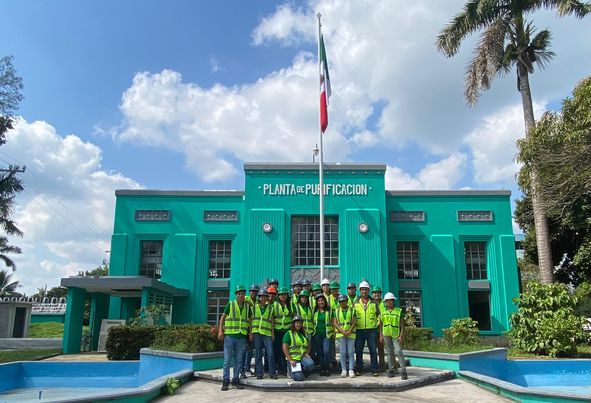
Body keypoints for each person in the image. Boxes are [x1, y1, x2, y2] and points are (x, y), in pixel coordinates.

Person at [218, 284, 251, 391]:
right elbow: (222, 318)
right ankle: (225, 381)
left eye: (242, 294)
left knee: (239, 360)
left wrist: (250, 333)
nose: (241, 295)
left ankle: (236, 380)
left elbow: (249, 320)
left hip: (241, 337)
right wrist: (220, 330)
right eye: (239, 294)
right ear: (236, 295)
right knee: (227, 360)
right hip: (230, 336)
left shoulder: (247, 306)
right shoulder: (231, 304)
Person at [354, 280, 379, 376]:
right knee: (358, 350)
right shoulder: (355, 302)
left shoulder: (374, 302)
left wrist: (376, 324)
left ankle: (374, 369)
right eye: (362, 290)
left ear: (368, 290)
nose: (363, 291)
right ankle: (359, 369)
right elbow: (353, 315)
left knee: (373, 350)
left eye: (365, 289)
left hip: (371, 330)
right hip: (359, 330)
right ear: (359, 291)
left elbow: (379, 315)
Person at [250, 289, 277, 379]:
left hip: (267, 333)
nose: (263, 298)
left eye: (265, 297)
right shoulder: (253, 308)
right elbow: (250, 321)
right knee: (258, 353)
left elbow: (272, 322)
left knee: (270, 353)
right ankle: (259, 373)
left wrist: (272, 334)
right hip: (257, 332)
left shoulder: (270, 308)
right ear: (259, 298)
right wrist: (250, 333)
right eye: (262, 297)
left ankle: (272, 373)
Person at [380, 292, 408, 380]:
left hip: (396, 334)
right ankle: (391, 369)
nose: (389, 302)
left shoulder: (398, 311)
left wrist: (401, 335)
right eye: (387, 301)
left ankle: (403, 370)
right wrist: (380, 335)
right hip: (386, 334)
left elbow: (402, 324)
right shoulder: (383, 311)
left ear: (393, 301)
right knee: (389, 352)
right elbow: (381, 324)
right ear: (385, 302)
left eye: (391, 301)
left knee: (399, 351)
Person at [283, 315, 314, 381]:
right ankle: (290, 370)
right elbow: (284, 348)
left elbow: (309, 345)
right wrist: (290, 360)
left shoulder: (305, 334)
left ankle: (301, 371)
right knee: (298, 378)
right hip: (294, 359)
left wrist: (307, 353)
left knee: (310, 364)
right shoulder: (289, 334)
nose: (298, 325)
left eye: (300, 323)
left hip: (302, 357)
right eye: (296, 323)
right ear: (293, 324)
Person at [333, 294, 357, 378]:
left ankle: (351, 370)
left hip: (351, 333)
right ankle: (343, 370)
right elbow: (335, 322)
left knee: (350, 352)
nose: (342, 302)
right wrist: (342, 331)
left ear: (347, 301)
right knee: (342, 353)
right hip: (341, 334)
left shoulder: (352, 309)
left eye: (344, 301)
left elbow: (354, 321)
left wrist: (349, 330)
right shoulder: (336, 311)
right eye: (341, 301)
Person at [312, 294, 333, 376]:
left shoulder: (329, 311)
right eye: (319, 301)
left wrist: (333, 332)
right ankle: (322, 368)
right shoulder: (314, 311)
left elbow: (333, 321)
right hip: (317, 334)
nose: (321, 302)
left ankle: (327, 367)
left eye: (322, 300)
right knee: (320, 352)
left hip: (327, 334)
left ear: (325, 301)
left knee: (326, 351)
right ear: (317, 302)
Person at [241, 284, 259, 377]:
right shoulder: (246, 299)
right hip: (245, 328)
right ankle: (242, 369)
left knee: (250, 350)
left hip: (253, 328)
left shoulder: (258, 301)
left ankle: (247, 368)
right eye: (252, 291)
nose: (253, 293)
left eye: (255, 291)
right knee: (244, 350)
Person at [273, 287, 292, 375]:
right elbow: (271, 319)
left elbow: (294, 317)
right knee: (277, 350)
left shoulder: (291, 304)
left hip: (287, 331)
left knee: (286, 350)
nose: (283, 296)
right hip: (277, 330)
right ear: (278, 296)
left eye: (284, 294)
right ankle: (279, 367)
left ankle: (285, 368)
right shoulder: (275, 305)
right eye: (281, 295)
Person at [372, 286, 386, 372]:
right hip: (373, 329)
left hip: (384, 329)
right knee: (373, 349)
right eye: (375, 293)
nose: (376, 294)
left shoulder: (384, 303)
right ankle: (374, 365)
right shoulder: (371, 303)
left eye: (378, 293)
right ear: (372, 294)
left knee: (381, 348)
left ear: (381, 294)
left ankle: (382, 366)